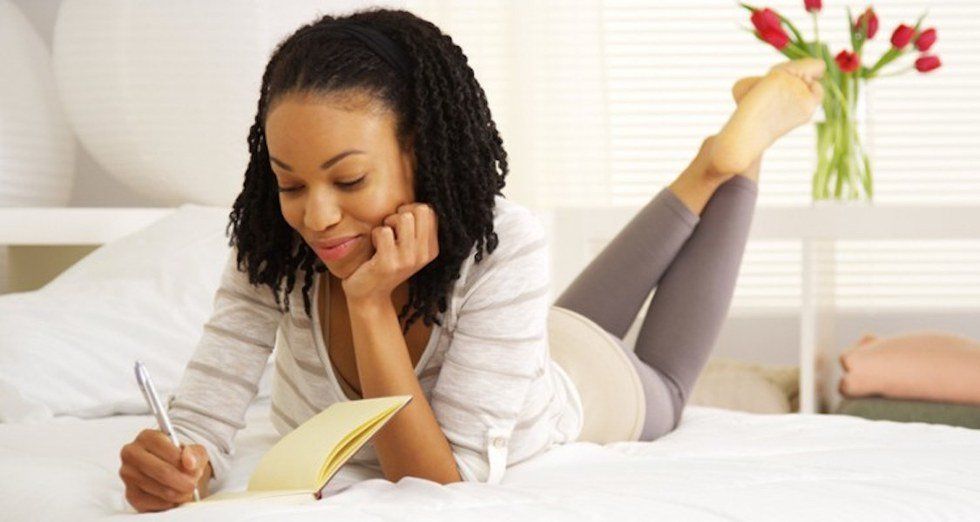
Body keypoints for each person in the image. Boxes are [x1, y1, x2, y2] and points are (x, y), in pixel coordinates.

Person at [117, 7, 826, 513]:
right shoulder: (275, 249)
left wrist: (369, 304)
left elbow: (435, 486)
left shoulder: (501, 242)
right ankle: (708, 167)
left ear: (421, 154)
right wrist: (179, 465)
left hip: (585, 385)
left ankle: (734, 163)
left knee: (668, 386)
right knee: (568, 323)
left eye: (350, 179)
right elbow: (203, 419)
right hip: (526, 345)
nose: (317, 216)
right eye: (290, 183)